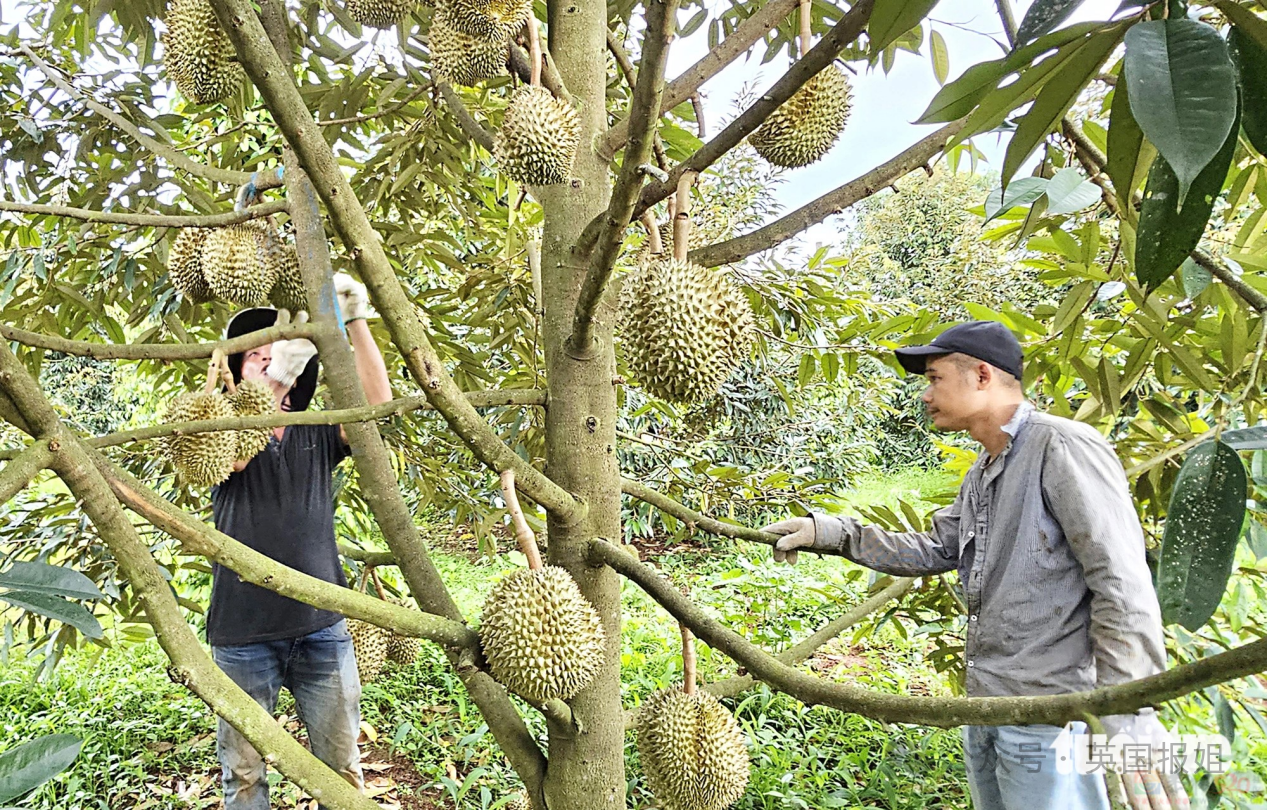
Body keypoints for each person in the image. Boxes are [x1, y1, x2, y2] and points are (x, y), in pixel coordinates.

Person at [761, 321, 1188, 810]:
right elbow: (934, 548)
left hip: (1051, 713)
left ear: (982, 375)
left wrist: (1127, 709)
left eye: (935, 378)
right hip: (988, 702)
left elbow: (1120, 578)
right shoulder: (984, 470)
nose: (925, 394)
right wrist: (830, 533)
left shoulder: (1061, 446)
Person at [206, 273, 392, 810]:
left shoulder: (317, 426)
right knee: (243, 775)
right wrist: (281, 371)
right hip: (242, 634)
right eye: (253, 354)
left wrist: (355, 318)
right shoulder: (218, 430)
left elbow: (374, 409)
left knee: (341, 766)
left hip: (322, 627)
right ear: (236, 371)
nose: (266, 357)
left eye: (276, 351)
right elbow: (230, 454)